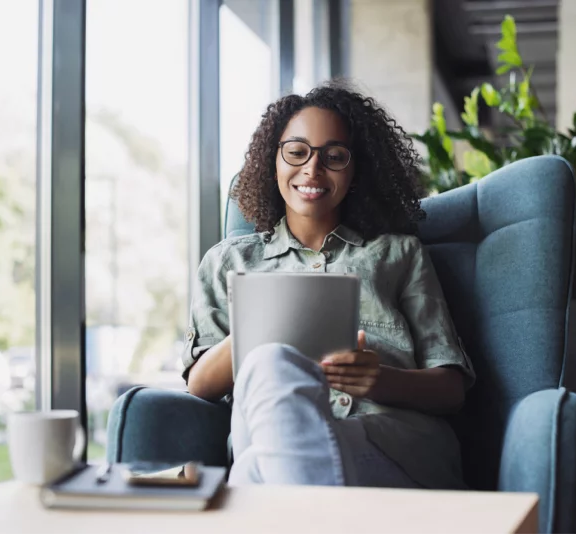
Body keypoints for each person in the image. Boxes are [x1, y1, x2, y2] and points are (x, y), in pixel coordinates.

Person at [181, 82, 476, 489]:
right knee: (268, 364)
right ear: (274, 162)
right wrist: (261, 328)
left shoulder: (399, 255)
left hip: (386, 444)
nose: (313, 170)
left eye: (334, 157)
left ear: (355, 171)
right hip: (267, 435)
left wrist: (381, 379)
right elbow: (199, 385)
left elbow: (451, 389)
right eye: (297, 152)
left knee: (252, 473)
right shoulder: (228, 262)